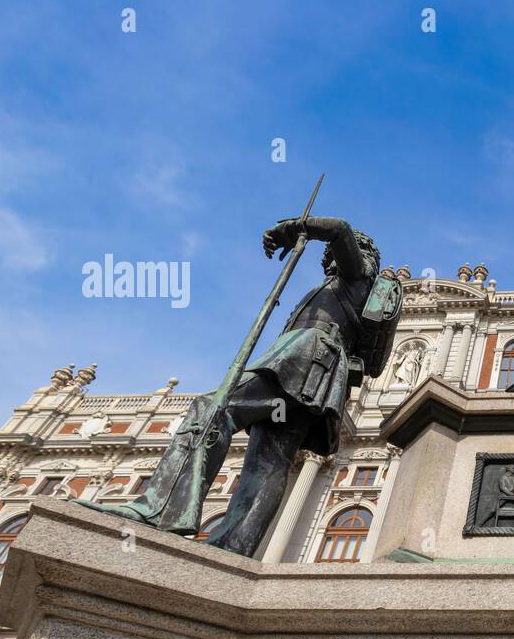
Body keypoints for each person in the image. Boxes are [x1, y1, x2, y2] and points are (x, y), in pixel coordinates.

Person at [78, 216, 400, 556]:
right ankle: (234, 547)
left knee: (213, 408)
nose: (328, 262)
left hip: (303, 360)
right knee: (270, 460)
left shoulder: (358, 279)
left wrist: (294, 227)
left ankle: (160, 510)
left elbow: (339, 229)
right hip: (316, 374)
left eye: (331, 257)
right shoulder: (342, 288)